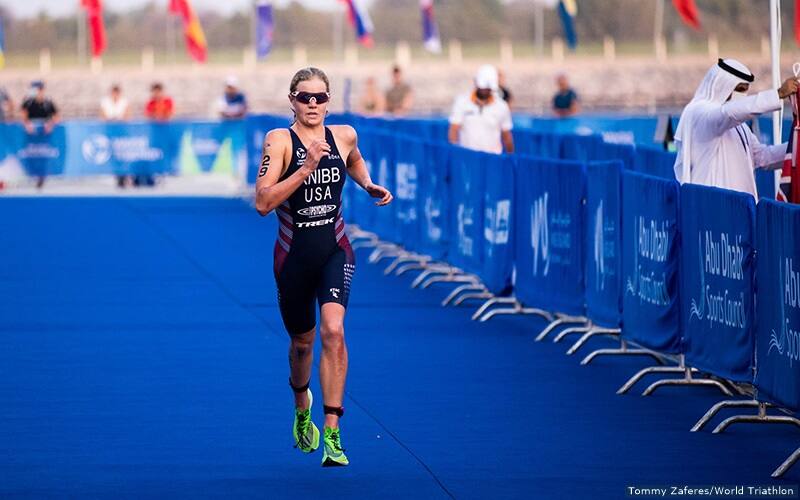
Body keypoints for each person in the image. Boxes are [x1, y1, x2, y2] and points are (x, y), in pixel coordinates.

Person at [254, 67, 393, 467]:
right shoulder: (279, 141)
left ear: (329, 101)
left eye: (319, 97)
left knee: (334, 330)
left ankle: (333, 434)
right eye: (304, 97)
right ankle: (302, 408)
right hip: (293, 258)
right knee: (302, 344)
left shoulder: (344, 134)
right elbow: (263, 203)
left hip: (335, 250)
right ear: (291, 100)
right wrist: (305, 168)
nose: (312, 104)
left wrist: (368, 185)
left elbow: (354, 159)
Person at [674, 58, 800, 199]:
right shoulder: (700, 113)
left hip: (741, 209)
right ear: (722, 86)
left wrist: (796, 147)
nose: (743, 95)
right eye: (740, 89)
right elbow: (727, 113)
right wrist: (778, 94)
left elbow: (762, 157)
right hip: (712, 206)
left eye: (746, 90)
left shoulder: (739, 126)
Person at [448, 64, 514, 154]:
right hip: (468, 157)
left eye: (488, 88)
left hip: (492, 158)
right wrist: (455, 151)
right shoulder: (462, 102)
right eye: (483, 87)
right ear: (475, 82)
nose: (485, 90)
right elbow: (454, 129)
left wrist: (511, 158)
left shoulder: (501, 106)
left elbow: (506, 134)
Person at [21, 80, 59, 189]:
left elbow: (56, 116)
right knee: (31, 154)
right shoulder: (28, 102)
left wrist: (50, 124)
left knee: (44, 155)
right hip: (32, 134)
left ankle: (41, 176)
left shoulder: (48, 102)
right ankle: (32, 174)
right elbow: (23, 115)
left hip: (44, 134)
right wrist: (27, 124)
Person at [101, 84, 131, 188]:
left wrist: (119, 120)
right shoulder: (105, 102)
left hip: (121, 133)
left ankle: (123, 175)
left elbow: (127, 116)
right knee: (112, 154)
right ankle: (117, 175)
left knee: (122, 154)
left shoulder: (124, 102)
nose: (115, 95)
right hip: (110, 132)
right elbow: (103, 116)